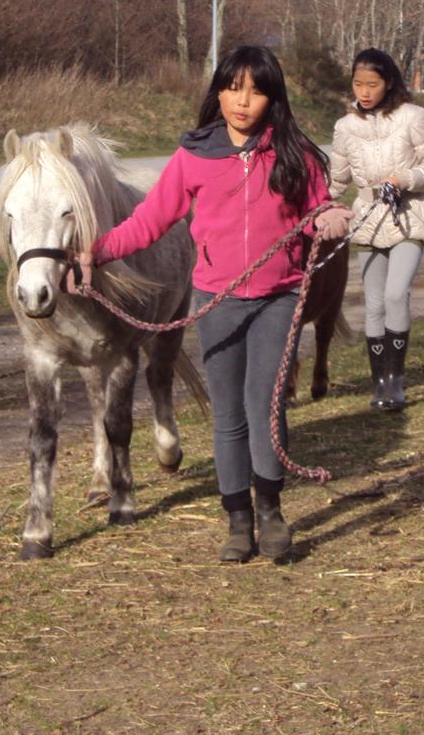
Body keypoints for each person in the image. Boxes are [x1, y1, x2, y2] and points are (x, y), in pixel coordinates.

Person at [65, 45, 353, 562]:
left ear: (273, 97)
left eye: (257, 90)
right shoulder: (194, 155)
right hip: (217, 301)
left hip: (278, 298)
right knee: (227, 415)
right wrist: (97, 252)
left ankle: (270, 513)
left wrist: (328, 218)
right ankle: (237, 521)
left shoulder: (296, 153)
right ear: (217, 90)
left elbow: (317, 210)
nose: (244, 101)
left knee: (265, 406)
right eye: (234, 87)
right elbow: (149, 222)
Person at [330, 47, 424, 411]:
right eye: (358, 84)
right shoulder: (345, 126)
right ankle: (379, 383)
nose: (364, 92)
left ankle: (396, 381)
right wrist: (321, 207)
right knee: (374, 303)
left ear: (388, 83)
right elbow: (337, 179)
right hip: (367, 220)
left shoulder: (413, 117)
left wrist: (406, 178)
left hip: (407, 216)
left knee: (397, 294)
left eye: (372, 84)